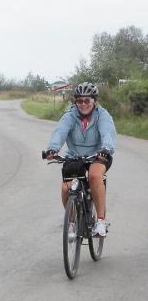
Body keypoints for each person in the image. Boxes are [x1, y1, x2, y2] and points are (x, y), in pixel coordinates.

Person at [44, 82, 116, 237]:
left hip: (99, 155)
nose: (83, 104)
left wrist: (106, 149)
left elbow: (107, 134)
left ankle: (100, 222)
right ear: (75, 101)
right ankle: (72, 223)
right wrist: (53, 148)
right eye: (79, 101)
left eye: (87, 100)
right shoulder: (70, 115)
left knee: (95, 175)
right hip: (75, 156)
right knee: (65, 188)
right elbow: (60, 132)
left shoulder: (102, 115)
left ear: (94, 101)